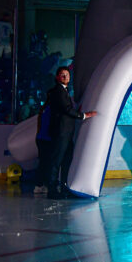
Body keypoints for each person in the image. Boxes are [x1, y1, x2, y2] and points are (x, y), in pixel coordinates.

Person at [45, 67, 97, 199]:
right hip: (61, 132)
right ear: (57, 77)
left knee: (66, 160)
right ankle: (52, 189)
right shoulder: (58, 91)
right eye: (62, 75)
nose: (65, 77)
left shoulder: (65, 91)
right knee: (56, 161)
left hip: (67, 133)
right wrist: (84, 115)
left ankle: (63, 187)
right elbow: (66, 109)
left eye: (67, 75)